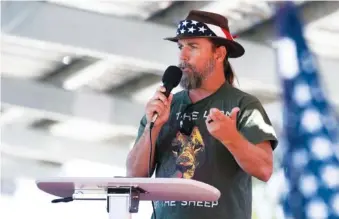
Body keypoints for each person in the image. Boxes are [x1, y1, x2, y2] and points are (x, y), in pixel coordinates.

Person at [126, 10, 278, 219]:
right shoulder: (164, 106)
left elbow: (264, 169)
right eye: (180, 47)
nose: (182, 56)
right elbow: (133, 176)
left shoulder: (244, 105)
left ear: (219, 53)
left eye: (193, 46)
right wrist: (154, 128)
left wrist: (231, 137)